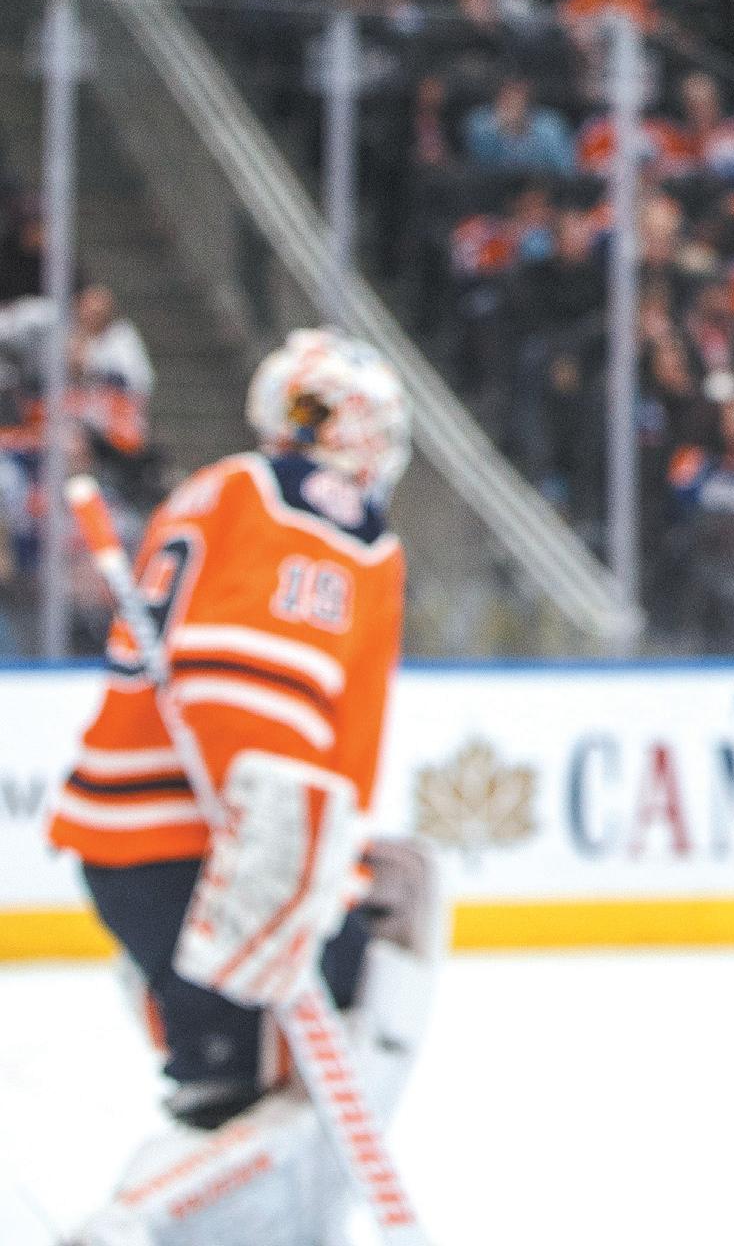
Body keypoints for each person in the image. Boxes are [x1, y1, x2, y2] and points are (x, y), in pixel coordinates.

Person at [49, 329, 443, 1243]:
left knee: (229, 1082)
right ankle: (134, 1226)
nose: (380, 450)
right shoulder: (318, 506)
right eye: (371, 425)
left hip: (134, 846)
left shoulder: (220, 486)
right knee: (327, 1027)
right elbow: (246, 681)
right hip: (205, 848)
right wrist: (284, 852)